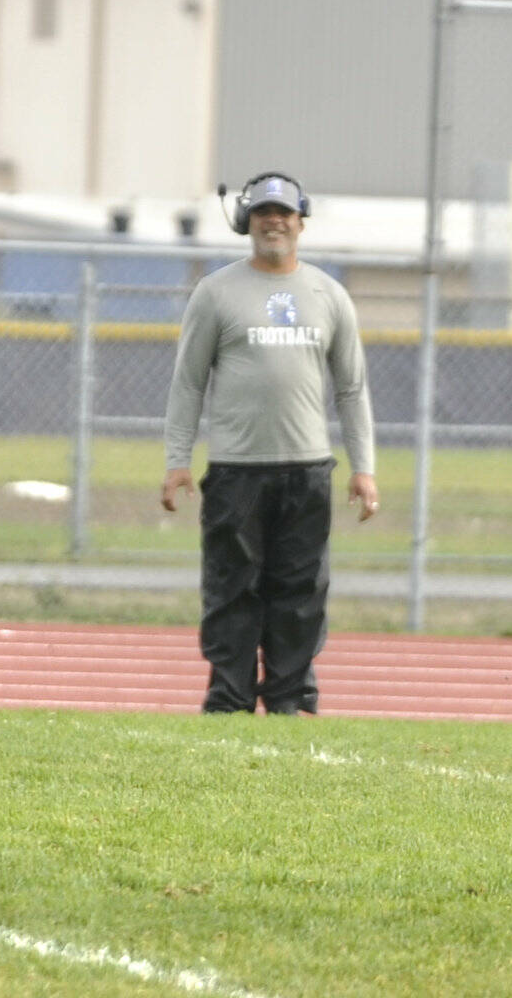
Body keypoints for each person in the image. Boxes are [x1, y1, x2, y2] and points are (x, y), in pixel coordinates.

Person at [161, 171, 379, 715]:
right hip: (237, 470)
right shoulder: (215, 293)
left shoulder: (329, 295)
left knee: (300, 592)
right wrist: (177, 461)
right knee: (232, 588)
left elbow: (352, 388)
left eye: (283, 213)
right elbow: (188, 382)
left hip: (307, 468)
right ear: (246, 222)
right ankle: (229, 699)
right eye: (262, 213)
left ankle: (289, 698)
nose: (273, 222)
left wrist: (364, 467)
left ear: (301, 221)